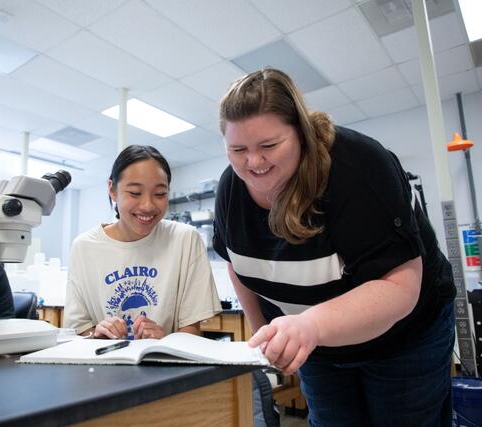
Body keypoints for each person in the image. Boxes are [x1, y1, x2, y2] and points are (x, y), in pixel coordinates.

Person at [213, 68, 455, 426]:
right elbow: (237, 265)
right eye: (238, 149)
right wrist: (263, 333)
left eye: (268, 145)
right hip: (320, 348)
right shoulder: (231, 190)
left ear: (300, 132)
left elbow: (400, 286)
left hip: (405, 337)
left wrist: (310, 325)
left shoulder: (357, 167)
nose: (253, 163)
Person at [64, 145, 221, 340]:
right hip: (104, 366)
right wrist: (98, 333)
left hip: (166, 367)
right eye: (135, 193)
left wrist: (164, 341)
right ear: (112, 190)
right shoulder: (84, 247)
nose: (148, 206)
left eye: (160, 194)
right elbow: (77, 330)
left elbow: (192, 330)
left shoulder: (185, 239)